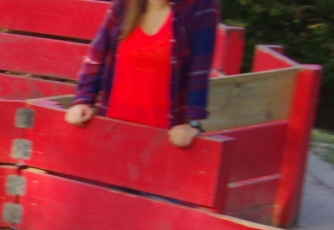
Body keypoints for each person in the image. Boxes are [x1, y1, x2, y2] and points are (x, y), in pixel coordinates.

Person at [65, 0, 219, 149]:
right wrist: (82, 100)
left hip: (163, 141)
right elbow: (97, 56)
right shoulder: (123, 4)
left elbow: (199, 69)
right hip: (109, 133)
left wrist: (192, 123)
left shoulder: (201, 6)